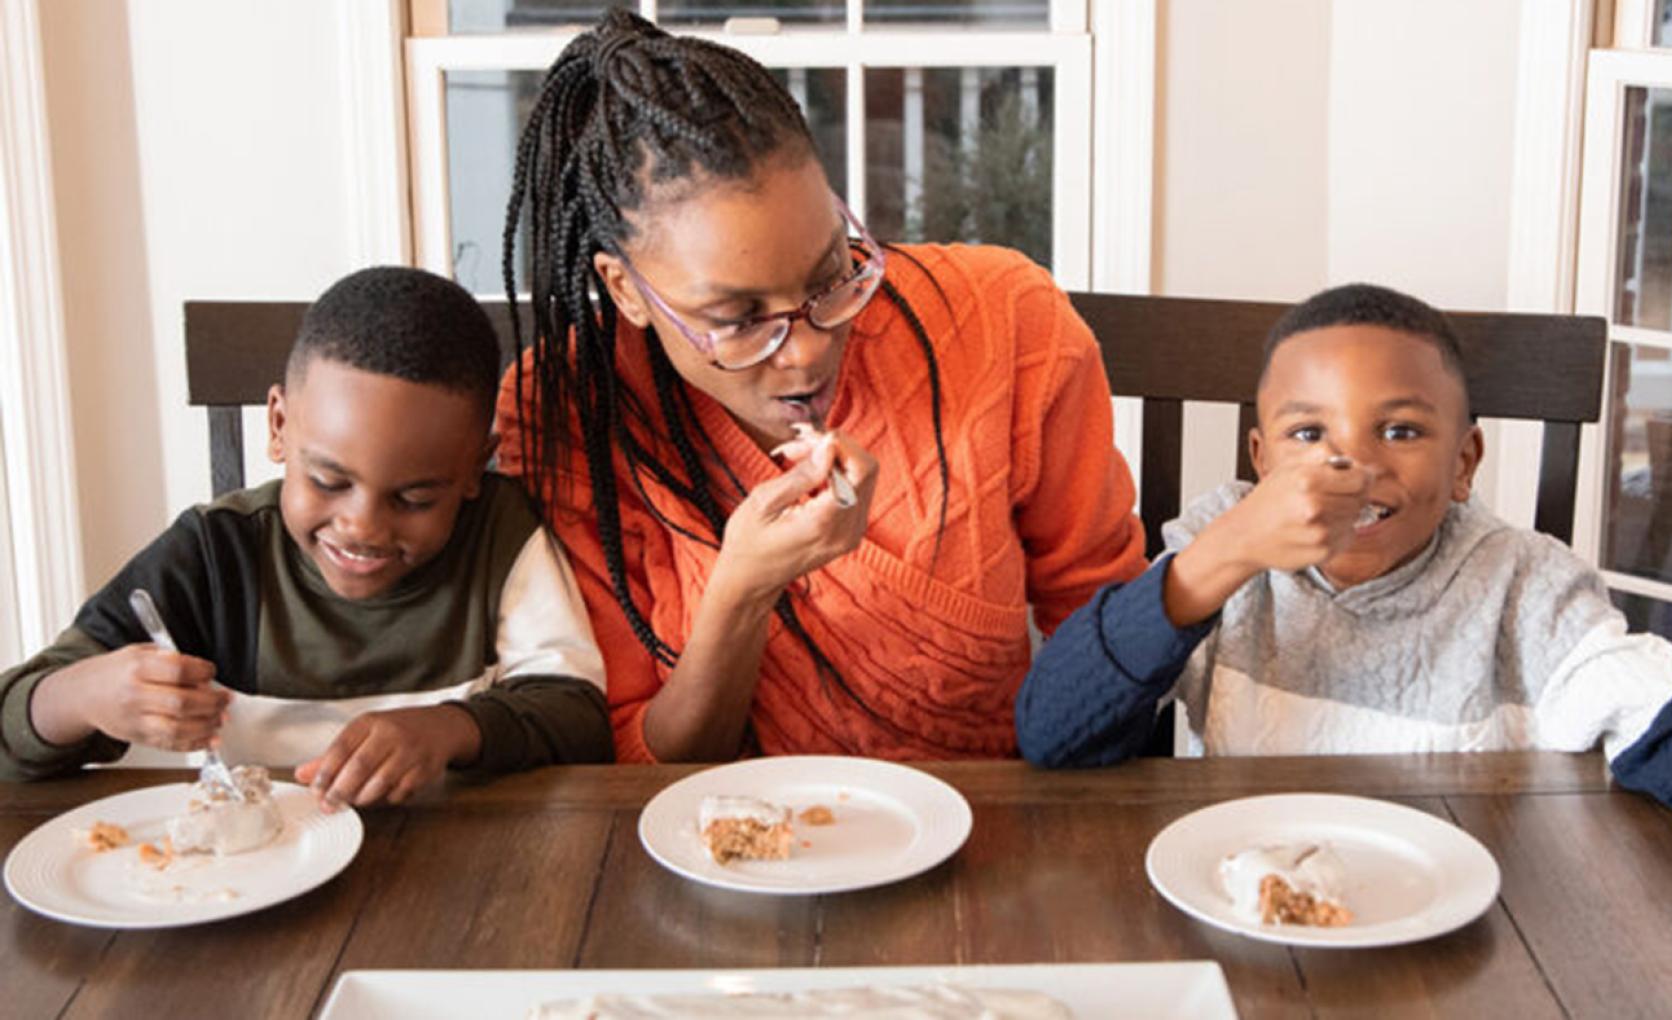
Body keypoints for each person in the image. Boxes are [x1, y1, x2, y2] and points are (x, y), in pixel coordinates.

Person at [1014, 282, 1672, 978]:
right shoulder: (1222, 550)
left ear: (1465, 462)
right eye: (1307, 434)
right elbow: (1052, 731)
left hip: (1462, 951)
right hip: (1239, 934)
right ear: (1260, 461)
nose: (1351, 465)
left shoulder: (1523, 586)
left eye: (1398, 431)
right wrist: (1214, 562)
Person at [494, 10, 1144, 763]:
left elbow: (1101, 629)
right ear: (626, 289)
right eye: (736, 317)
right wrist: (741, 592)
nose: (805, 352)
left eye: (831, 274)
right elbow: (633, 761)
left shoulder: (1003, 322)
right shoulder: (572, 409)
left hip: (985, 836)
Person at [0, 267, 611, 807]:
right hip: (249, 883)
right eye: (328, 480)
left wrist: (449, 729)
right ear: (279, 426)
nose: (363, 526)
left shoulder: (499, 538)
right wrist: (82, 697)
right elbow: (14, 730)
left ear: (477, 468)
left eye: (415, 498)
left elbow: (578, 717)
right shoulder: (216, 556)